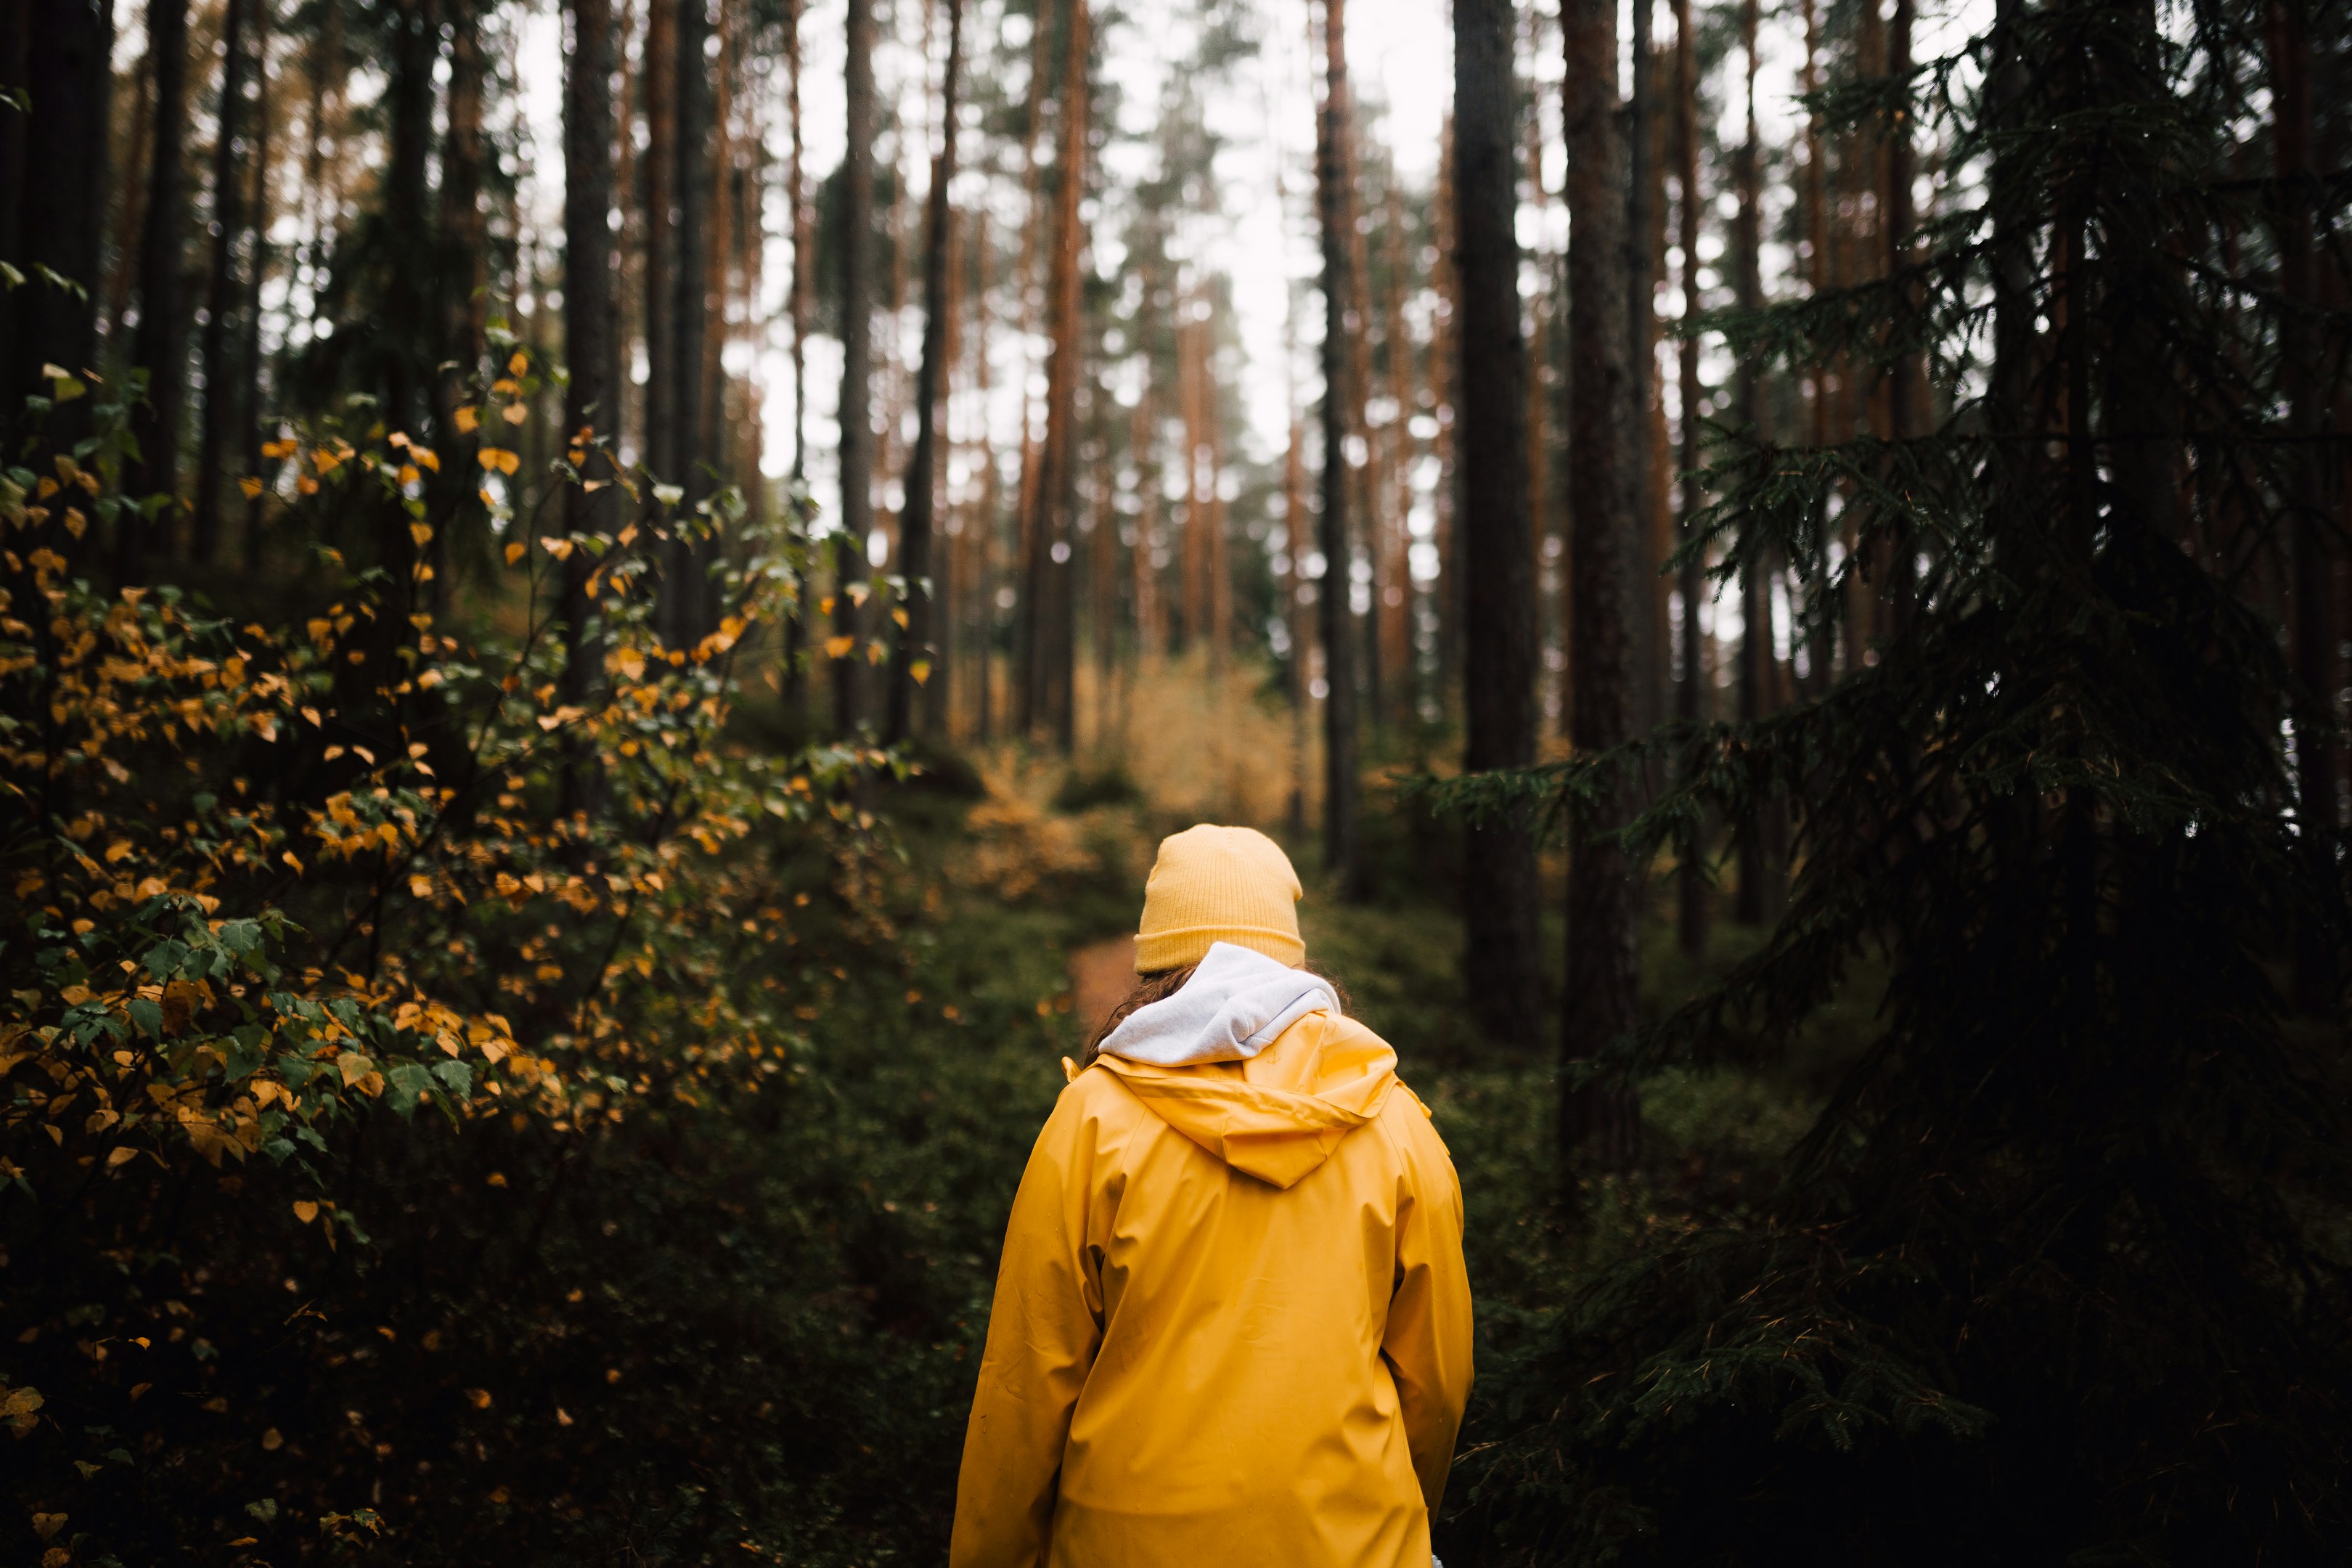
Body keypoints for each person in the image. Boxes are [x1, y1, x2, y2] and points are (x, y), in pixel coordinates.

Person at [950, 824, 1474, 1567]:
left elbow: (1026, 1383)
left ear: (1153, 960)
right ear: (1288, 953)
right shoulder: (1393, 1121)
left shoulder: (1092, 1120)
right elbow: (1439, 1380)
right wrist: (1390, 1513)